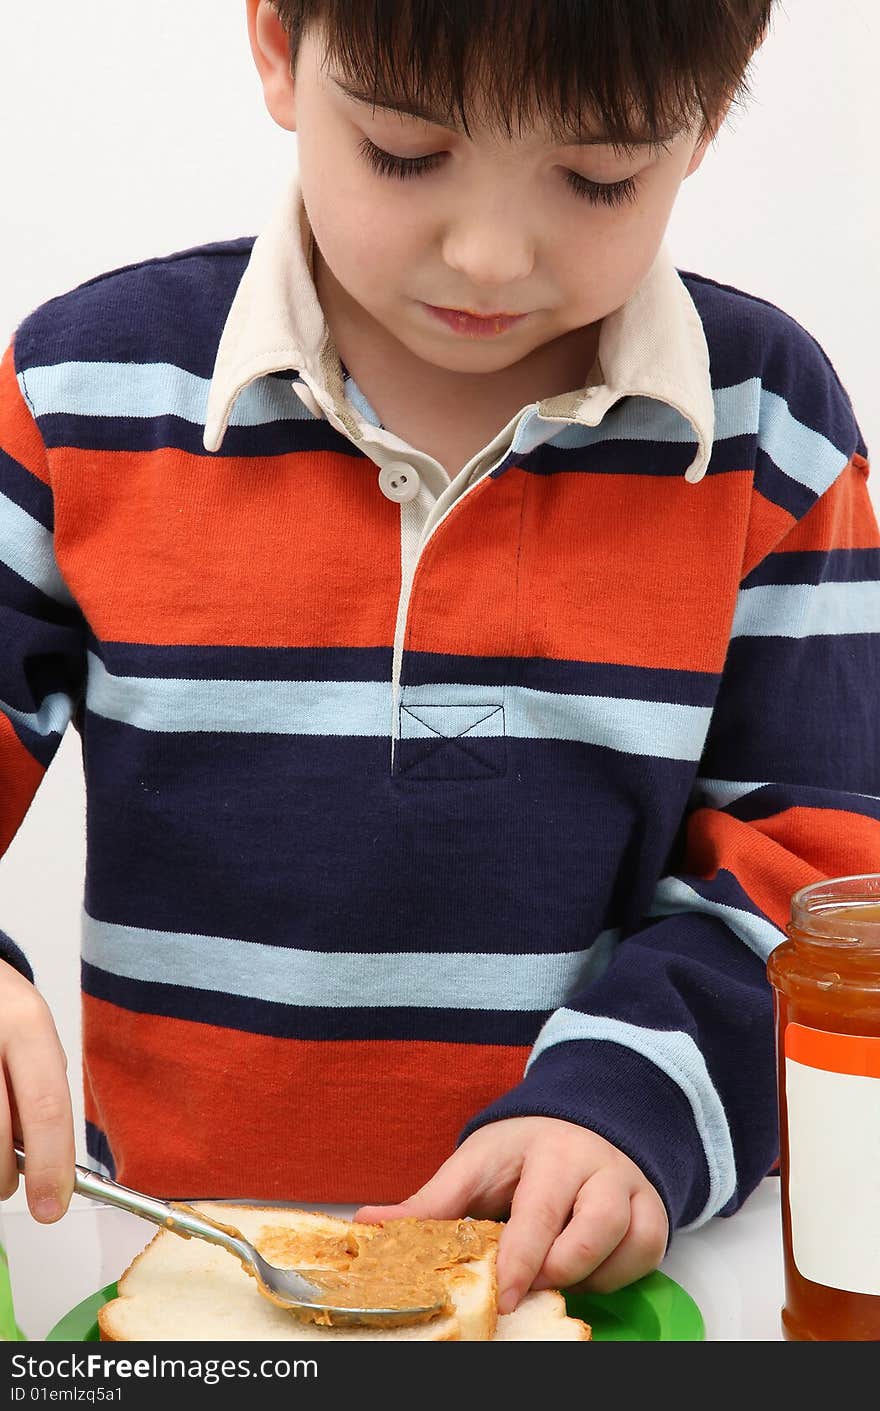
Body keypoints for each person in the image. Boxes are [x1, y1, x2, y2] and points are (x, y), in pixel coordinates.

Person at [0, 0, 876, 1318]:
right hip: (195, 1292)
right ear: (278, 49)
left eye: (597, 177)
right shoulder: (86, 396)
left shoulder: (772, 434)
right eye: (407, 154)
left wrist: (628, 1102)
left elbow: (828, 886)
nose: (487, 255)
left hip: (594, 1297)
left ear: (706, 119)